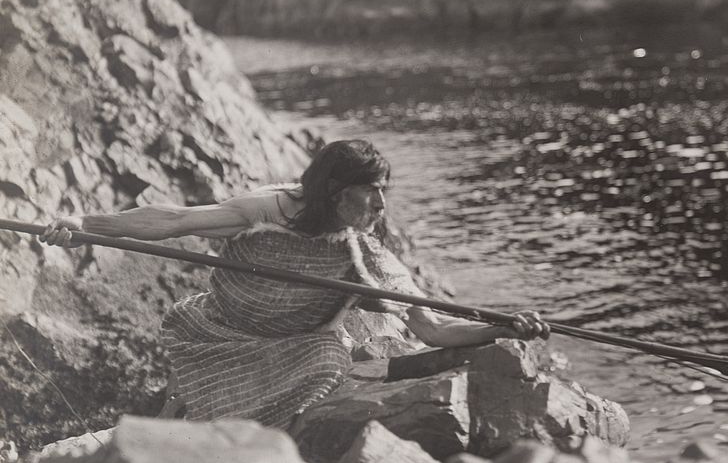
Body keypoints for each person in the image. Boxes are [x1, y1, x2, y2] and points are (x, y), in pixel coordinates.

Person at [41, 139, 548, 430]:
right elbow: (173, 220)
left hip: (301, 345)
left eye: (383, 194)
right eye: (370, 194)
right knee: (188, 412)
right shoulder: (270, 210)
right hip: (222, 331)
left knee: (330, 360)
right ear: (333, 191)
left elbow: (434, 329)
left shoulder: (364, 253)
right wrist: (85, 225)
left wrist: (502, 327)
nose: (380, 207)